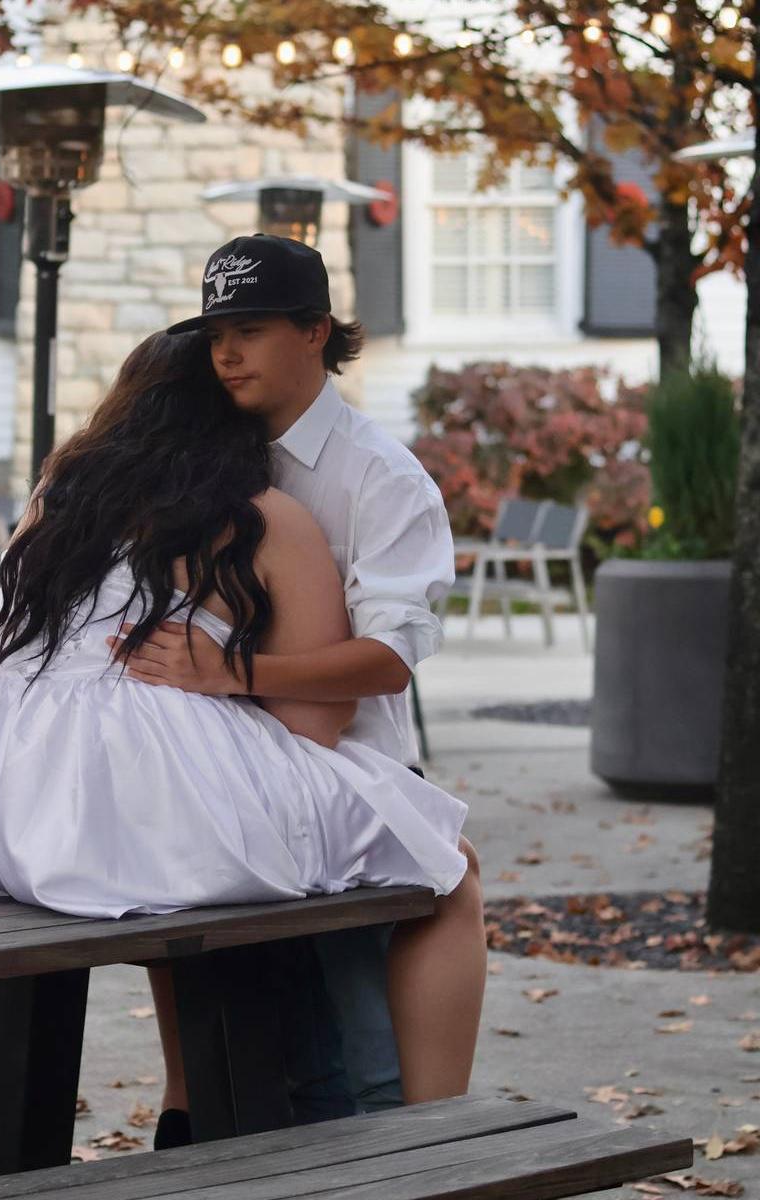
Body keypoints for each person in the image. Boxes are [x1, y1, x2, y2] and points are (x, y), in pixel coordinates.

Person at [0, 328, 484, 1115]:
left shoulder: (59, 498)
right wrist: (221, 676)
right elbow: (318, 723)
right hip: (150, 814)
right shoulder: (261, 519)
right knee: (446, 863)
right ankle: (440, 1130)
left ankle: (184, 1108)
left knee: (169, 858)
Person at [112, 234, 480, 1147]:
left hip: (350, 774)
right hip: (219, 785)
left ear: (316, 332)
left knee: (371, 1066)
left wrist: (231, 673)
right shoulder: (196, 460)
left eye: (250, 331)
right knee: (291, 1072)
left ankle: (430, 1155)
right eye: (215, 335)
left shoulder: (378, 476)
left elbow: (389, 659)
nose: (226, 354)